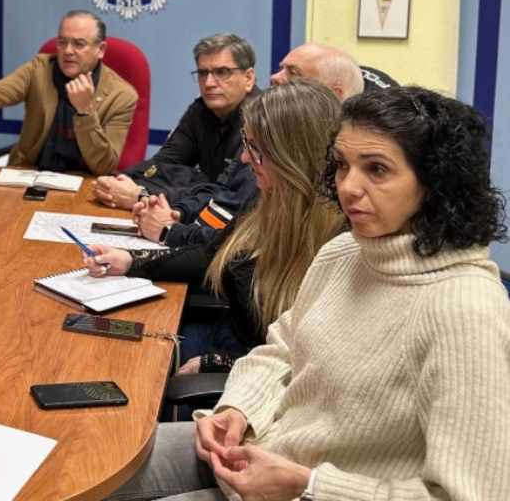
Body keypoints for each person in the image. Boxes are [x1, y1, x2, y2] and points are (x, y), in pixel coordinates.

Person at [107, 86, 510, 501]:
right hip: (266, 443)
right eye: (341, 165)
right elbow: (283, 348)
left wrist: (309, 485)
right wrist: (238, 408)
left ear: (434, 184)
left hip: (305, 487)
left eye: (376, 169)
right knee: (96, 463)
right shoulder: (345, 251)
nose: (348, 187)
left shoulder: (466, 309)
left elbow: (473, 495)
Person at [85, 80, 345, 373]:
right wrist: (131, 261)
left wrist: (220, 364)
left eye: (256, 149)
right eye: (247, 144)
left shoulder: (337, 243)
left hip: (256, 368)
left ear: (293, 158)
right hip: (230, 334)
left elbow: (306, 363)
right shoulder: (268, 199)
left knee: (127, 365)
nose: (246, 158)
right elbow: (211, 253)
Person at [130, 42, 363, 249]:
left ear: (333, 95)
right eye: (203, 73)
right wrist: (178, 212)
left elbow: (236, 248)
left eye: (292, 72)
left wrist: (169, 228)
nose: (275, 77)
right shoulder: (209, 112)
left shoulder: (317, 162)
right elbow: (222, 199)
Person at [0, 10, 137, 176]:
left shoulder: (122, 96)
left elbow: (104, 166)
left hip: (86, 182)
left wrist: (85, 112)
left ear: (101, 50)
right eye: (62, 42)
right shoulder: (39, 69)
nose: (68, 51)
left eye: (79, 44)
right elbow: (2, 91)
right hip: (31, 172)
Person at [94, 33, 258, 210]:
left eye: (222, 72)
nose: (209, 83)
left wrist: (143, 195)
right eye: (203, 73)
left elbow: (226, 195)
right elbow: (161, 165)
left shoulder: (261, 121)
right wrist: (122, 181)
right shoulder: (201, 110)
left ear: (248, 79)